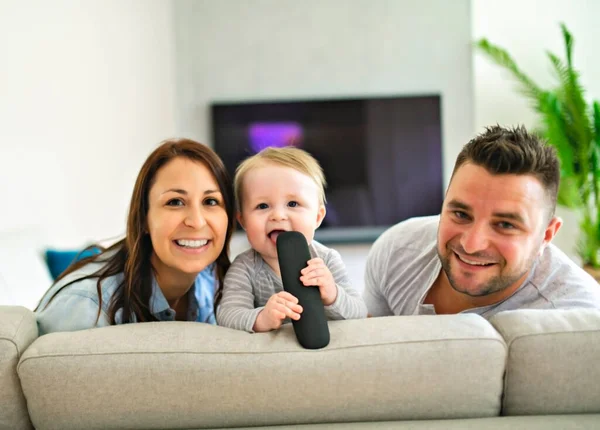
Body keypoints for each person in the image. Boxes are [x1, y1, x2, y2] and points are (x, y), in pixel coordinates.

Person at [363, 125, 600, 318]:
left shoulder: (577, 320)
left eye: (505, 225)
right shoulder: (398, 251)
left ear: (546, 235)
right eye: (461, 214)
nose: (471, 244)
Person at [36, 138, 236, 335]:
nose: (197, 221)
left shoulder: (215, 284)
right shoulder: (87, 310)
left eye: (210, 201)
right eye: (175, 202)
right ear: (143, 219)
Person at [216, 147, 367, 332]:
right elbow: (227, 315)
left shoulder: (326, 260)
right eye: (262, 206)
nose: (278, 215)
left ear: (318, 217)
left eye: (293, 204)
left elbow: (359, 311)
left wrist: (333, 294)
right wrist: (262, 318)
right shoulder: (244, 267)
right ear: (244, 221)